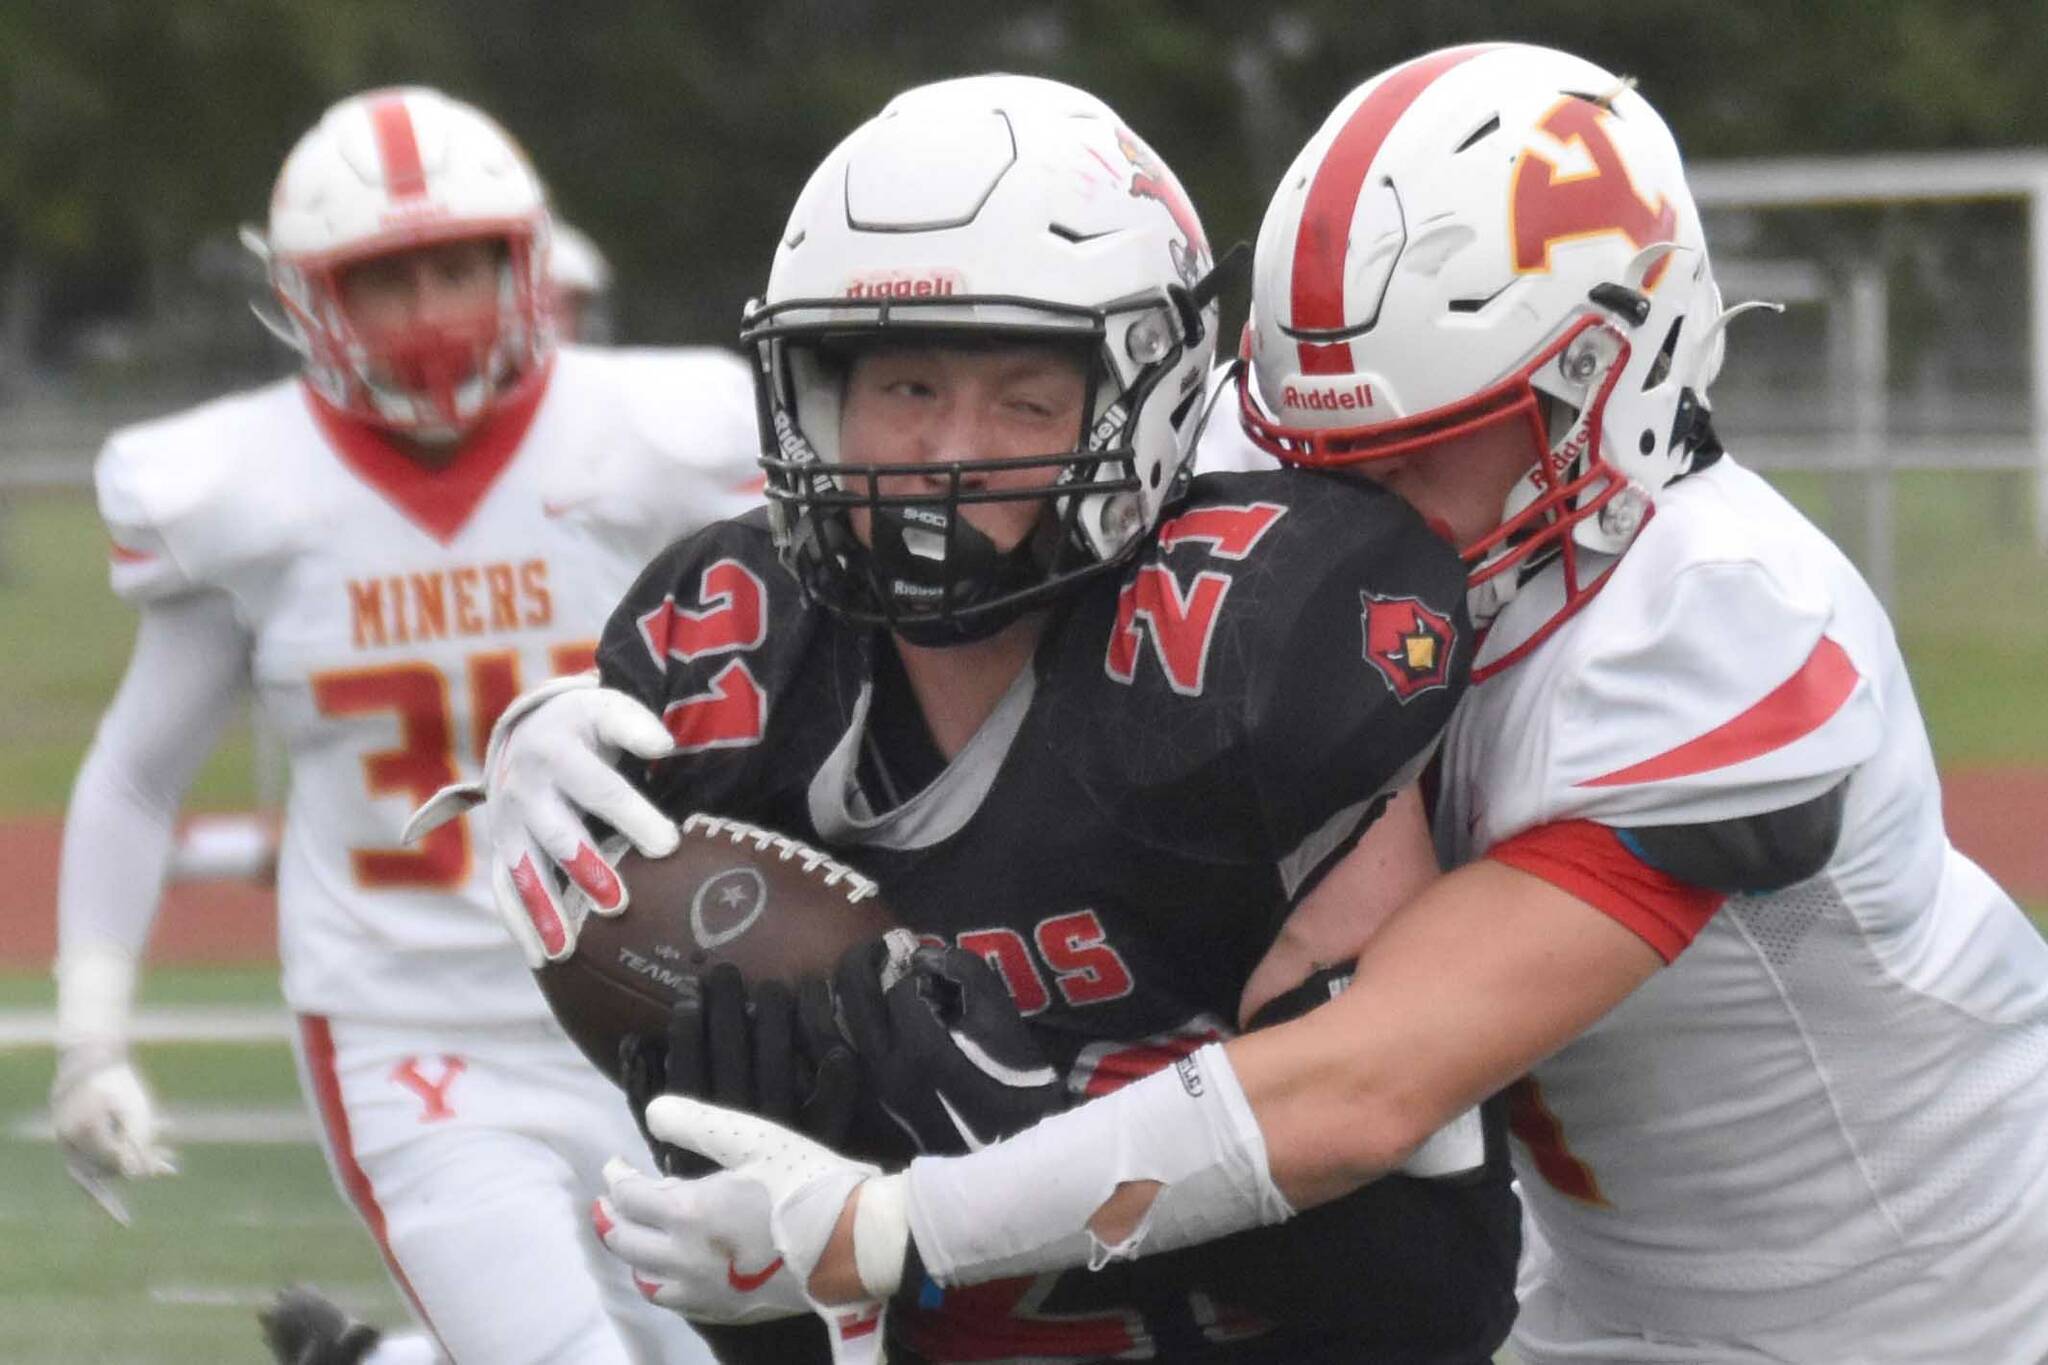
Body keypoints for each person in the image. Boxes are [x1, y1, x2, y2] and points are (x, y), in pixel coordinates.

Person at [574, 42, 2048, 1365]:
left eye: (1414, 458)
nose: (1339, 511)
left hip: (1931, 1307)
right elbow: (937, 528)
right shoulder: (1321, 444)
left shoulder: (1716, 625)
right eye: (1308, 444)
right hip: (1590, 1299)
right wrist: (552, 724)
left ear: (1607, 386)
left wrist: (900, 1227)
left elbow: (1365, 1083)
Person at [432, 74, 1519, 1363]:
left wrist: (1028, 1138)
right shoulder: (722, 658)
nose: (947, 458)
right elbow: (762, 1311)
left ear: (1145, 399)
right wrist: (776, 1208)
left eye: (1021, 398)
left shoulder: (1248, 650)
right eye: (903, 390)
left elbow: (1436, 1284)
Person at [48, 84, 759, 1365]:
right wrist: (92, 1038)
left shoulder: (657, 439)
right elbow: (137, 777)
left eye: (458, 268)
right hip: (409, 1032)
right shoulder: (243, 492)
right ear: (312, 299)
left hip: (656, 1006)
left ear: (528, 264)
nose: (431, 317)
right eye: (387, 281)